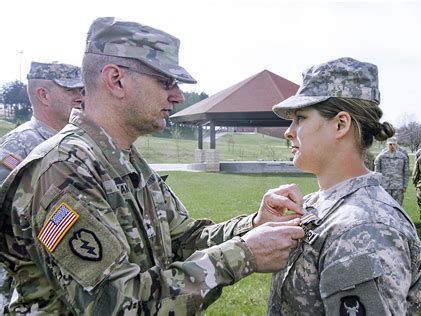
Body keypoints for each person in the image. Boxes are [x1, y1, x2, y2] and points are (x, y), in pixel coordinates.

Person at [0, 17, 305, 315]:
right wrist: (244, 254)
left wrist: (253, 225)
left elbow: (183, 239)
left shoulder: (125, 159)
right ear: (116, 79)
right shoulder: (63, 169)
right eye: (165, 82)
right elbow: (119, 305)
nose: (178, 95)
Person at [267, 57, 421, 315]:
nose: (288, 132)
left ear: (340, 125)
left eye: (300, 118)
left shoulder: (365, 229)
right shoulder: (319, 204)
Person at [0, 61, 83, 313]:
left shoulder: (74, 142)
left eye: (82, 90)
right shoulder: (20, 145)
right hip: (27, 288)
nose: (80, 96)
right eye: (71, 90)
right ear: (43, 95)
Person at [374, 136, 409, 205]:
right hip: (385, 186)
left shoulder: (402, 157)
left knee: (398, 207)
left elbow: (406, 172)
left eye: (394, 144)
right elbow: (377, 171)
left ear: (396, 145)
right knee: (385, 207)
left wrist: (405, 185)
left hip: (398, 187)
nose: (392, 146)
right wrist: (378, 184)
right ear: (387, 145)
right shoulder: (381, 156)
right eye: (390, 144)